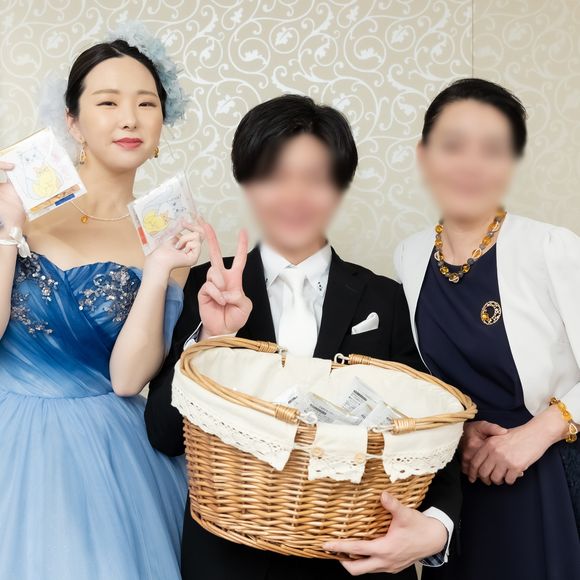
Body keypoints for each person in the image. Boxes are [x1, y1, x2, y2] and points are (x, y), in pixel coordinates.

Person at [146, 94, 461, 580]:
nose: (294, 196)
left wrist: (438, 528)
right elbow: (164, 434)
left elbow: (432, 423)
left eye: (314, 178)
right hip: (229, 560)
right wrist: (212, 338)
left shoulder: (386, 299)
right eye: (274, 176)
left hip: (356, 559)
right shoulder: (206, 285)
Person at [0, 24, 203, 580]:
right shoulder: (15, 201)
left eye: (146, 103)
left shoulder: (168, 235)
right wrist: (5, 228)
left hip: (107, 448)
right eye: (108, 102)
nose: (129, 119)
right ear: (73, 121)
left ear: (162, 123)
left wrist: (157, 269)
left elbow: (128, 380)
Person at [394, 78, 580, 579]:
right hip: (456, 487)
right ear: (424, 156)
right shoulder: (409, 256)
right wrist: (459, 433)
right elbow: (419, 381)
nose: (471, 165)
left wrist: (535, 435)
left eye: (492, 149)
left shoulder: (551, 248)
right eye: (453, 145)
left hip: (544, 479)